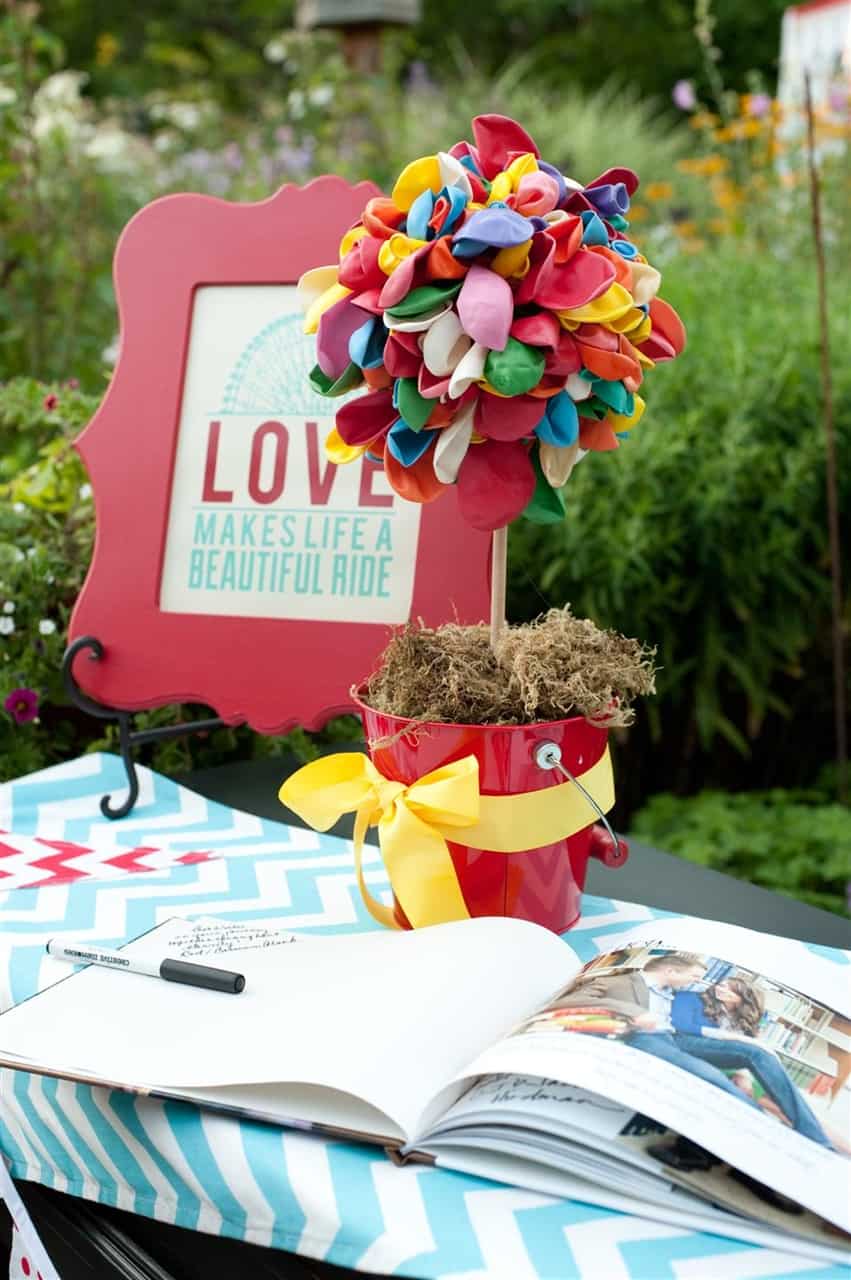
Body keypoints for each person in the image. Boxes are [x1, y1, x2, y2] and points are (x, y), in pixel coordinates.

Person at [669, 976, 835, 1148]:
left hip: (715, 1059)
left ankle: (815, 1139)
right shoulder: (692, 997)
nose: (721, 988)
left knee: (761, 1087)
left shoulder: (742, 1023)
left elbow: (740, 1054)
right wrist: (732, 1037)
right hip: (683, 1043)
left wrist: (744, 1075)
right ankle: (816, 1137)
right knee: (758, 1054)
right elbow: (680, 1025)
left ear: (742, 998)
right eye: (722, 984)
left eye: (730, 989)